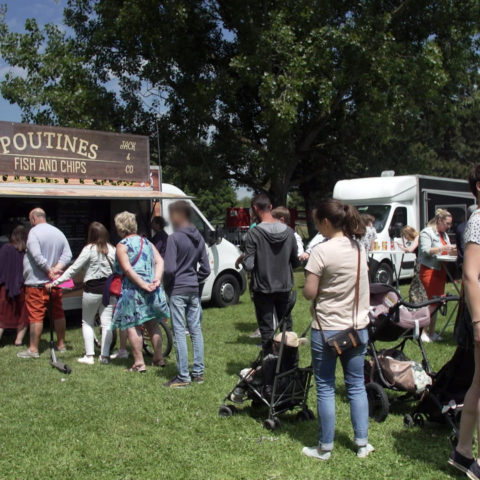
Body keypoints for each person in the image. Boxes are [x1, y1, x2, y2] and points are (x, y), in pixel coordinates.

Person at [302, 199, 374, 461]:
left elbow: (310, 293)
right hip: (357, 327)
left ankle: (325, 447)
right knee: (356, 386)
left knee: (325, 387)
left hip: (327, 330)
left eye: (317, 222)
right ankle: (362, 443)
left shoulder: (321, 251)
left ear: (326, 222)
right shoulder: (359, 248)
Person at [448, 166, 480, 480]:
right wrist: (479, 320)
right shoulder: (478, 220)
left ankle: (463, 451)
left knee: (478, 384)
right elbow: (470, 275)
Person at [46, 222, 116, 365]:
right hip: (109, 290)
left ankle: (89, 356)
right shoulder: (112, 249)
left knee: (87, 322)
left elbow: (73, 269)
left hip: (92, 289)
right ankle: (105, 356)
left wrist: (55, 283)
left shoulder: (89, 249)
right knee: (107, 323)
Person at [238, 193, 299, 353]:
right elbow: (296, 261)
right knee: (287, 327)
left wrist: (244, 259)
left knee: (267, 331)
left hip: (263, 288)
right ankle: (289, 364)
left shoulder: (254, 233)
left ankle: (270, 367)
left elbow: (249, 265)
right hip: (285, 286)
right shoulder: (289, 232)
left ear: (255, 209)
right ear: (270, 207)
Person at [111, 211, 169, 372]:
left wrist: (142, 284)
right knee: (152, 324)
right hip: (152, 289)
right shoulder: (147, 243)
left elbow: (127, 270)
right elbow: (160, 261)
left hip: (133, 290)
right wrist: (156, 279)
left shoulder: (122, 245)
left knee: (132, 325)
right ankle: (158, 358)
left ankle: (139, 363)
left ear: (120, 227)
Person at [163, 200, 211, 388]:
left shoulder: (174, 238)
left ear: (178, 216)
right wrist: (195, 279)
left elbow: (169, 269)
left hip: (178, 289)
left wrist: (168, 286)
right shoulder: (198, 237)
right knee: (195, 330)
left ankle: (183, 376)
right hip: (193, 288)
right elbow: (206, 268)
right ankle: (198, 373)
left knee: (179, 333)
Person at [17, 208, 72, 359]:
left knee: (36, 316)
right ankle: (61, 345)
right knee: (58, 313)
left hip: (37, 283)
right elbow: (68, 255)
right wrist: (57, 269)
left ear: (34, 219)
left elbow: (36, 255)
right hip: (54, 283)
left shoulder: (34, 233)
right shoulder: (58, 232)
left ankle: (33, 349)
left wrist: (49, 270)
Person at [418, 208, 456, 343]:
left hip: (440, 270)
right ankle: (422, 332)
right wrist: (443, 249)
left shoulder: (444, 235)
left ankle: (432, 332)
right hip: (429, 270)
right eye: (447, 223)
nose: (449, 226)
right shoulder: (426, 232)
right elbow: (425, 250)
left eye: (450, 224)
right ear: (439, 221)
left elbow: (447, 249)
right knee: (431, 303)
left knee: (437, 302)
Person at [0, 226, 29, 346]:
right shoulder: (27, 251)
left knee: (2, 316)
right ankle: (19, 341)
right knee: (23, 315)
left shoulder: (5, 248)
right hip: (22, 288)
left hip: (5, 289)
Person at [456, 204, 478, 271]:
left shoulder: (461, 226)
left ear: (467, 215)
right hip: (469, 262)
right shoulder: (465, 226)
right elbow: (463, 246)